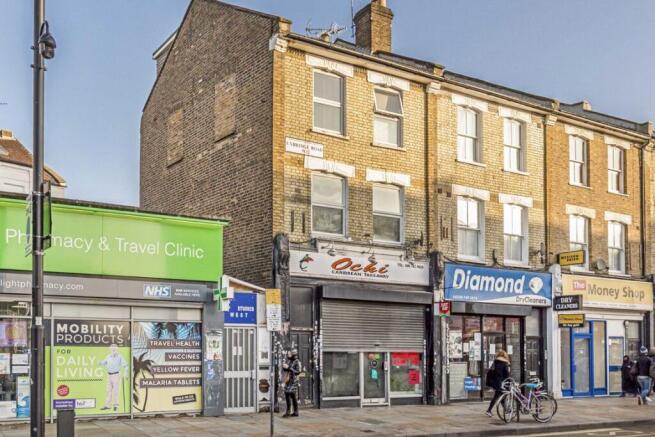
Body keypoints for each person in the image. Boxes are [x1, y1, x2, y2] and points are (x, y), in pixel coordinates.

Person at [99, 343, 128, 411]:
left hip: (116, 375)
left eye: (115, 347)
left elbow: (126, 366)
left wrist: (126, 374)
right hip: (109, 375)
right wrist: (99, 362)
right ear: (110, 349)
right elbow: (103, 363)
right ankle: (107, 405)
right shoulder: (108, 356)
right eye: (112, 347)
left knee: (116, 391)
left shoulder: (120, 356)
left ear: (117, 349)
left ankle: (116, 405)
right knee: (108, 390)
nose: (113, 349)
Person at [486, 350, 510, 417]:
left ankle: (506, 410)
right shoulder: (504, 363)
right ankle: (489, 410)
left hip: (495, 382)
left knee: (500, 395)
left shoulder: (495, 362)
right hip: (501, 383)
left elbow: (491, 371)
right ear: (505, 356)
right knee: (497, 396)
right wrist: (509, 382)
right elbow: (506, 375)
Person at [282, 349, 301, 418]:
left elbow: (298, 372)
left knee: (290, 394)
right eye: (288, 354)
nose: (288, 355)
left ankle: (290, 411)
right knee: (291, 395)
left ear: (293, 354)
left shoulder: (297, 361)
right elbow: (287, 369)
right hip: (288, 380)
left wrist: (289, 367)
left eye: (290, 354)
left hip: (293, 381)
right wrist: (284, 367)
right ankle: (294, 411)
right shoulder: (290, 361)